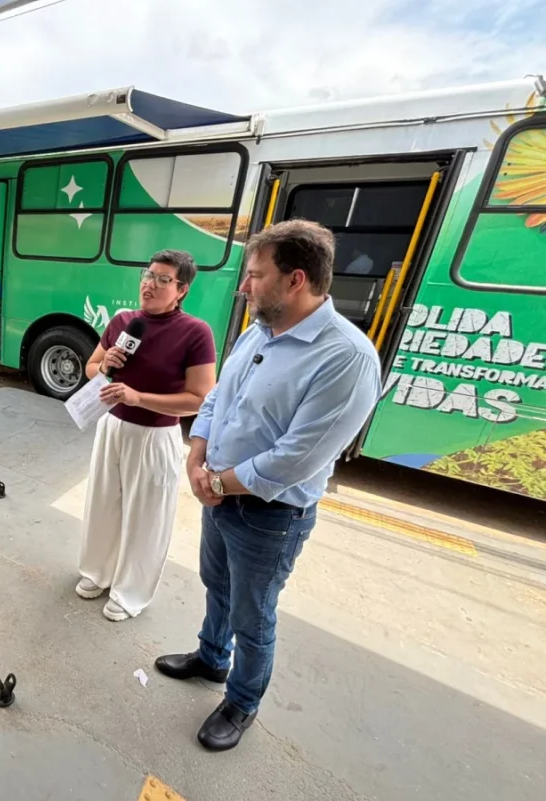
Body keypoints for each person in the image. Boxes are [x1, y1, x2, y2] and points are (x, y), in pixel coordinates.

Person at [154, 219, 382, 751]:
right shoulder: (260, 329)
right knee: (217, 585)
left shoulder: (345, 358)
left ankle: (242, 701)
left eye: (255, 275)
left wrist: (215, 481)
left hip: (271, 514)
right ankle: (211, 658)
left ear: (295, 279)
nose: (244, 286)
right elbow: (216, 401)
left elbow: (295, 459)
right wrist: (196, 459)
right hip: (219, 493)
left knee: (253, 616)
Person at [75, 250, 217, 622]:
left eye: (162, 279)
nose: (149, 284)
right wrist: (105, 365)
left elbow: (200, 399)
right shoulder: (123, 321)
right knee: (103, 502)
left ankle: (130, 591)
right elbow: (92, 368)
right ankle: (97, 571)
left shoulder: (195, 332)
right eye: (147, 274)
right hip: (111, 427)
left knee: (146, 516)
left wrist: (140, 398)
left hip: (155, 436)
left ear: (181, 289)